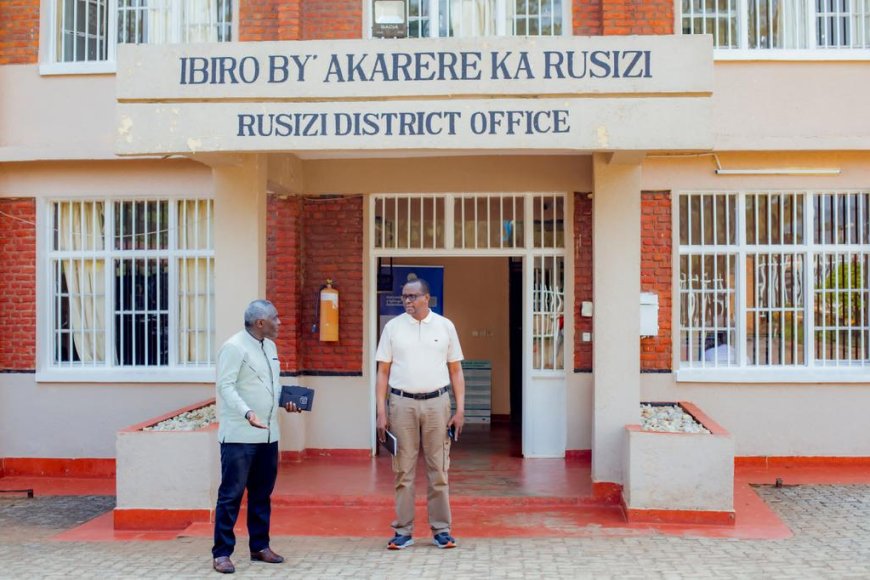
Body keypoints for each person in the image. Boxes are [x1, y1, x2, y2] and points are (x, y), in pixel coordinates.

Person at [375, 277, 466, 550]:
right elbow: (383, 372)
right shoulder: (393, 328)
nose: (407, 301)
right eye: (404, 296)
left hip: (438, 403)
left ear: (427, 298)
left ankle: (441, 530)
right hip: (402, 404)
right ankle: (403, 531)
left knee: (439, 469)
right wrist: (381, 411)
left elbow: (455, 370)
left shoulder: (445, 326)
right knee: (403, 470)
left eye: (413, 296)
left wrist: (460, 409)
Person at [212, 299, 301, 574]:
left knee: (262, 494)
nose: (279, 322)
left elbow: (271, 385)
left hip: (268, 435)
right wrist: (247, 412)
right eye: (275, 318)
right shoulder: (234, 347)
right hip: (240, 436)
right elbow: (225, 386)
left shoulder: (269, 347)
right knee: (231, 495)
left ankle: (260, 546)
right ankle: (222, 553)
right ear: (260, 323)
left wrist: (287, 400)